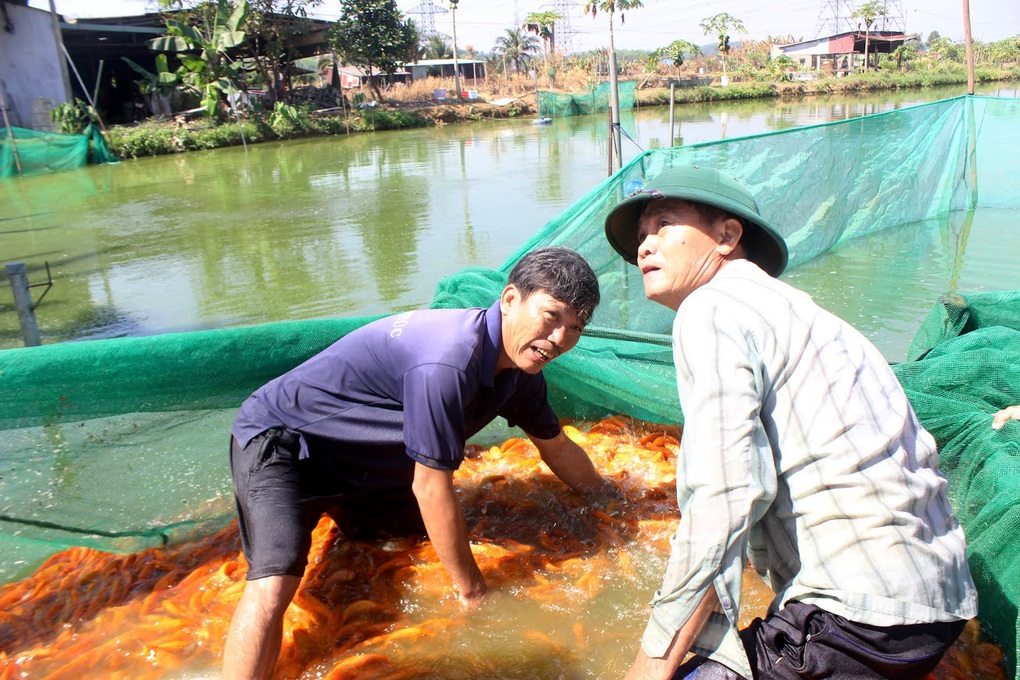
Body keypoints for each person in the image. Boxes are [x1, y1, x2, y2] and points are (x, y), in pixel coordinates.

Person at [603, 165, 978, 680]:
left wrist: (650, 666)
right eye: (641, 237)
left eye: (664, 224)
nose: (645, 246)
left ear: (727, 236)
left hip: (858, 619)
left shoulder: (709, 308)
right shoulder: (808, 314)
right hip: (939, 606)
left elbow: (723, 498)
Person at [221, 246, 620, 679]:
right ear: (509, 300)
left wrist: (611, 500)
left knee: (411, 543)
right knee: (275, 583)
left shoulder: (522, 373)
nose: (560, 339)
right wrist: (474, 594)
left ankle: (342, 517)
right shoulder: (446, 361)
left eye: (574, 327)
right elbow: (430, 487)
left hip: (365, 463)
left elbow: (557, 447)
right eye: (551, 316)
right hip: (287, 446)